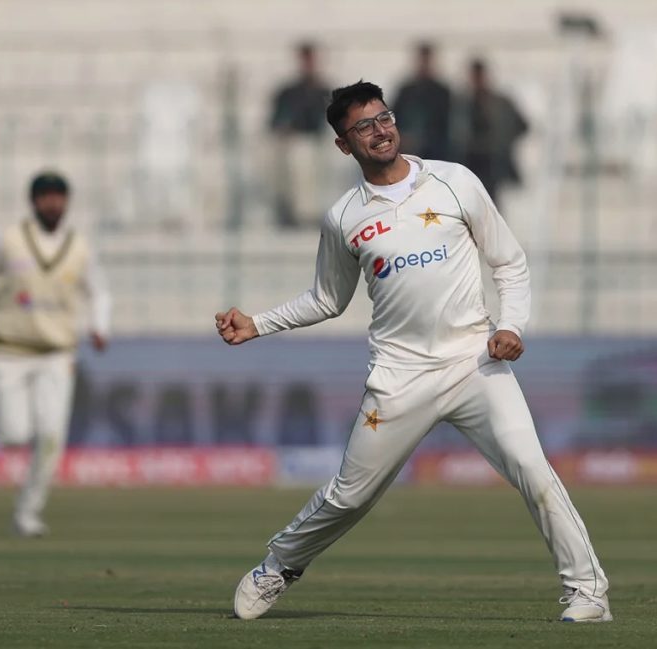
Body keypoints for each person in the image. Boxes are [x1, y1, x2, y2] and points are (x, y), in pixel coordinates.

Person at [216, 82, 611, 623]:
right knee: (350, 497)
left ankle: (587, 591)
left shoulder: (453, 181)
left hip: (475, 361)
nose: (379, 131)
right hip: (399, 377)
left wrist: (513, 325)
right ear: (342, 145)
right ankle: (279, 564)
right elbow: (327, 300)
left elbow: (510, 263)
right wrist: (256, 324)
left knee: (531, 467)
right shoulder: (344, 217)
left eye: (384, 118)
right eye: (363, 126)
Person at [0, 171, 111, 537]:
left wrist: (100, 327)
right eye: (46, 196)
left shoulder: (79, 246)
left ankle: (27, 513)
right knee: (14, 434)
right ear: (33, 201)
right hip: (9, 350)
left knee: (51, 436)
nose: (53, 203)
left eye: (59, 196)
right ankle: (20, 476)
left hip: (58, 354)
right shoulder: (6, 240)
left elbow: (101, 291)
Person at [268, 42, 332, 228]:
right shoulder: (287, 91)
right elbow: (275, 122)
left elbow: (327, 122)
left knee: (302, 156)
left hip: (316, 143)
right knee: (289, 157)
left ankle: (307, 213)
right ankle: (289, 209)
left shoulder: (324, 91)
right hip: (288, 144)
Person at [453, 59, 530, 206]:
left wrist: (504, 141)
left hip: (492, 161)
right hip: (470, 160)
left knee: (490, 204)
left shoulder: (500, 102)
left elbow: (522, 126)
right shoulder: (462, 103)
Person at [393, 42, 452, 160]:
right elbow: (394, 115)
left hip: (435, 149)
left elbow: (446, 122)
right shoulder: (406, 90)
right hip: (409, 150)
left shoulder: (442, 91)